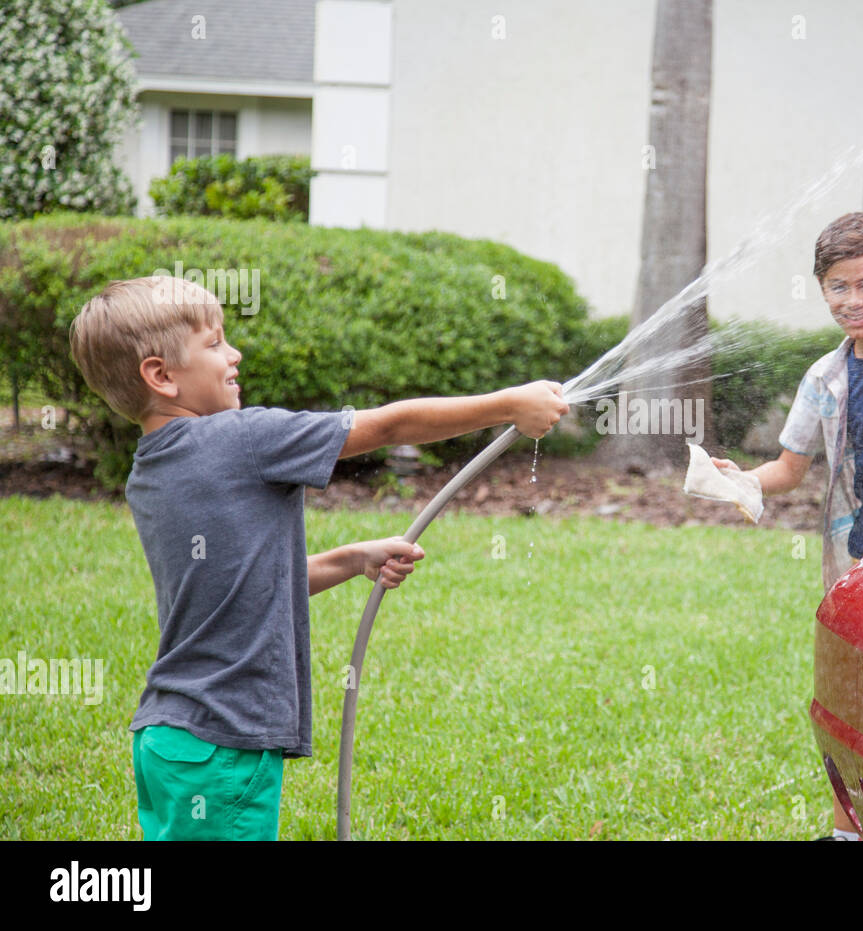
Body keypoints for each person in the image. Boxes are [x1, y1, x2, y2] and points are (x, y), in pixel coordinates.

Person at [68, 276, 569, 840]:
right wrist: (509, 405)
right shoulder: (243, 439)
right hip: (225, 743)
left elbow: (242, 583)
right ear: (161, 376)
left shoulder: (151, 470)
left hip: (171, 739)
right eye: (213, 344)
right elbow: (388, 425)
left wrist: (353, 559)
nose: (234, 355)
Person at [712, 213, 863, 839]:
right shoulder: (823, 378)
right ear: (822, 289)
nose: (854, 301)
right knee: (853, 697)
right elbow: (788, 468)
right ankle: (847, 830)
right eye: (838, 287)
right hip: (862, 560)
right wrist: (743, 480)